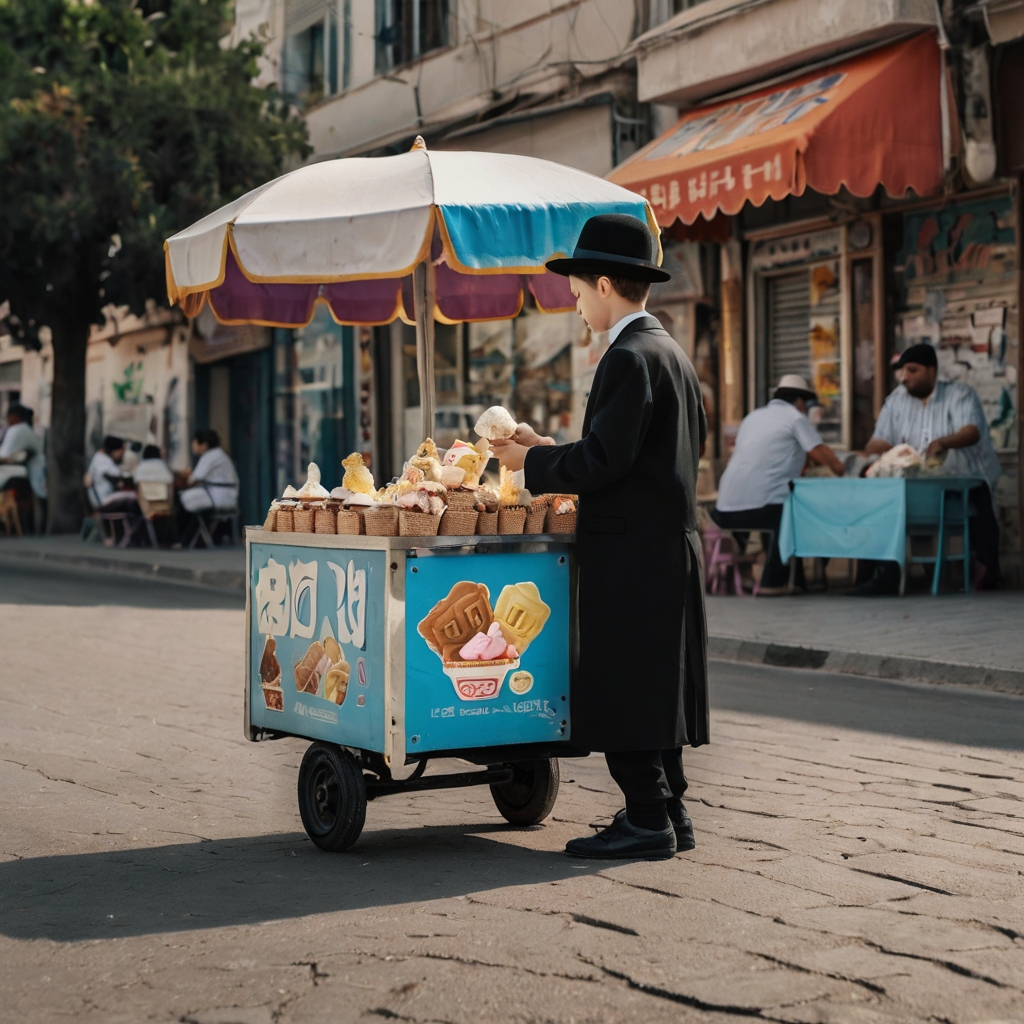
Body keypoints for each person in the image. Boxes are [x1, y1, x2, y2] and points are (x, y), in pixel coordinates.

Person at [492, 213, 709, 861]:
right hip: (666, 548)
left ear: (606, 285)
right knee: (658, 687)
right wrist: (547, 447)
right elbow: (624, 453)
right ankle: (668, 812)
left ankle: (646, 819)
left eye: (579, 291)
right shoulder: (669, 353)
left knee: (627, 686)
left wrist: (529, 463)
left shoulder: (628, 356)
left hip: (633, 555)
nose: (577, 304)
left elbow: (603, 462)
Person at [856, 342, 1002, 593]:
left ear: (931, 371)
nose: (905, 377)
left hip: (963, 476)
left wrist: (943, 442)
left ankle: (990, 570)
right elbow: (879, 441)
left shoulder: (960, 394)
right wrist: (877, 453)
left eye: (912, 371)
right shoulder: (896, 400)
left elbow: (971, 431)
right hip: (919, 482)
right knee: (876, 498)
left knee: (979, 504)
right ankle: (875, 577)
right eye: (903, 371)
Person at [711, 374, 845, 594]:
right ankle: (773, 582)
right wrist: (841, 470)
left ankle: (797, 580)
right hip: (762, 509)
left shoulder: (753, 417)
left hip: (724, 509)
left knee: (776, 505)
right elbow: (818, 452)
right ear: (800, 401)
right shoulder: (795, 417)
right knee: (792, 513)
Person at [176, 429, 238, 544]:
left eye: (195, 443)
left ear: (204, 445)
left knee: (183, 501)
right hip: (224, 495)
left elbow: (194, 479)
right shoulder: (218, 454)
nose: (193, 446)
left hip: (218, 496)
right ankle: (190, 540)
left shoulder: (210, 456)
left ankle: (182, 541)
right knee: (191, 503)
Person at [0, 403, 46, 499]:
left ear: (14, 416)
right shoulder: (22, 428)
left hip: (28, 471)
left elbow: (4, 457)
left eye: (8, 416)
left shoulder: (18, 429)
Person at [84, 435, 132, 507]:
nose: (123, 454)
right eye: (122, 450)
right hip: (103, 502)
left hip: (102, 500)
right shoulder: (103, 460)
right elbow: (117, 476)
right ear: (115, 450)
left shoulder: (100, 457)